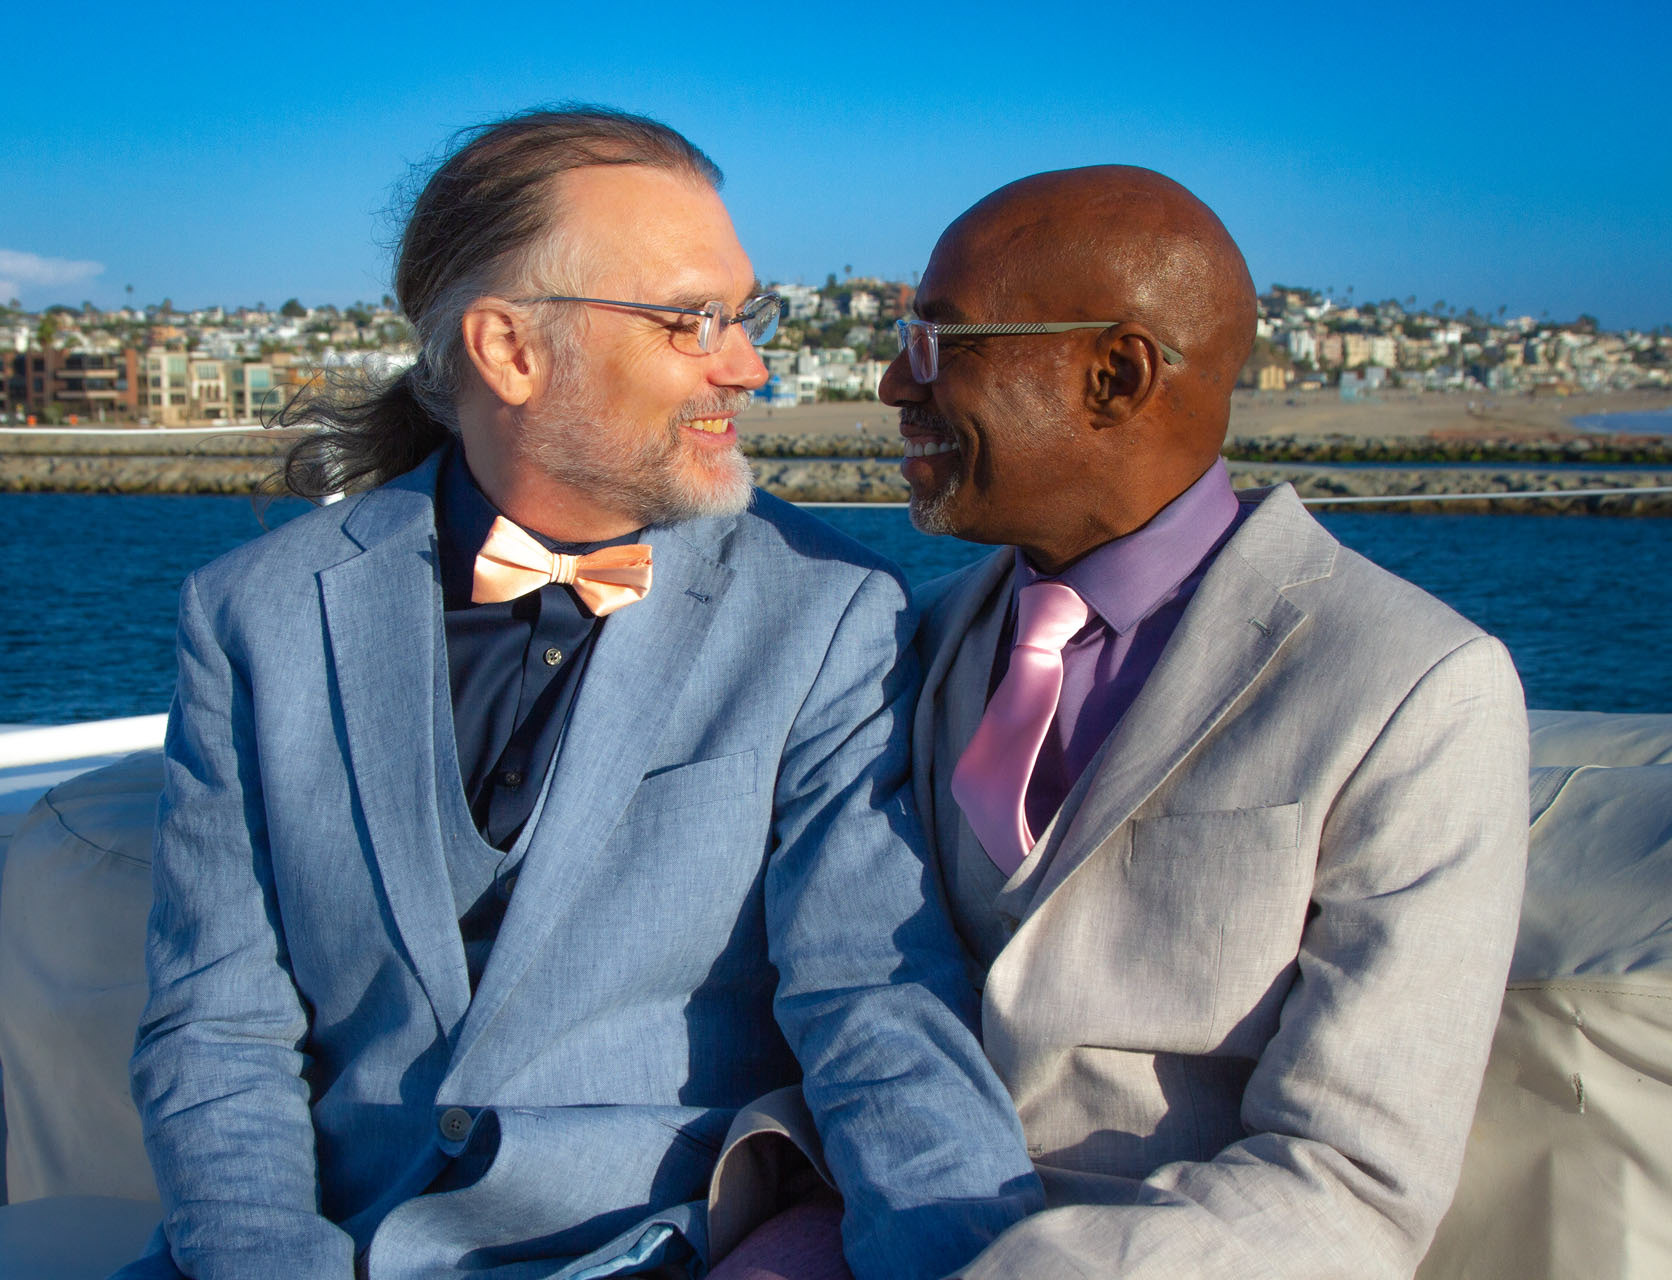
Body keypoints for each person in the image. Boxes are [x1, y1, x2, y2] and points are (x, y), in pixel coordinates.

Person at [118, 107, 1040, 1280]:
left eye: (745, 315)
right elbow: (219, 1025)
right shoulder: (254, 615)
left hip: (643, 1250)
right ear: (509, 349)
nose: (747, 366)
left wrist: (974, 1263)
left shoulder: (826, 612)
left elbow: (874, 997)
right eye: (691, 321)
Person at [881, 166, 1529, 1278]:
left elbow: (1350, 1180)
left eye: (941, 341)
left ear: (1115, 375)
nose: (895, 379)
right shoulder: (923, 637)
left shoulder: (1414, 686)